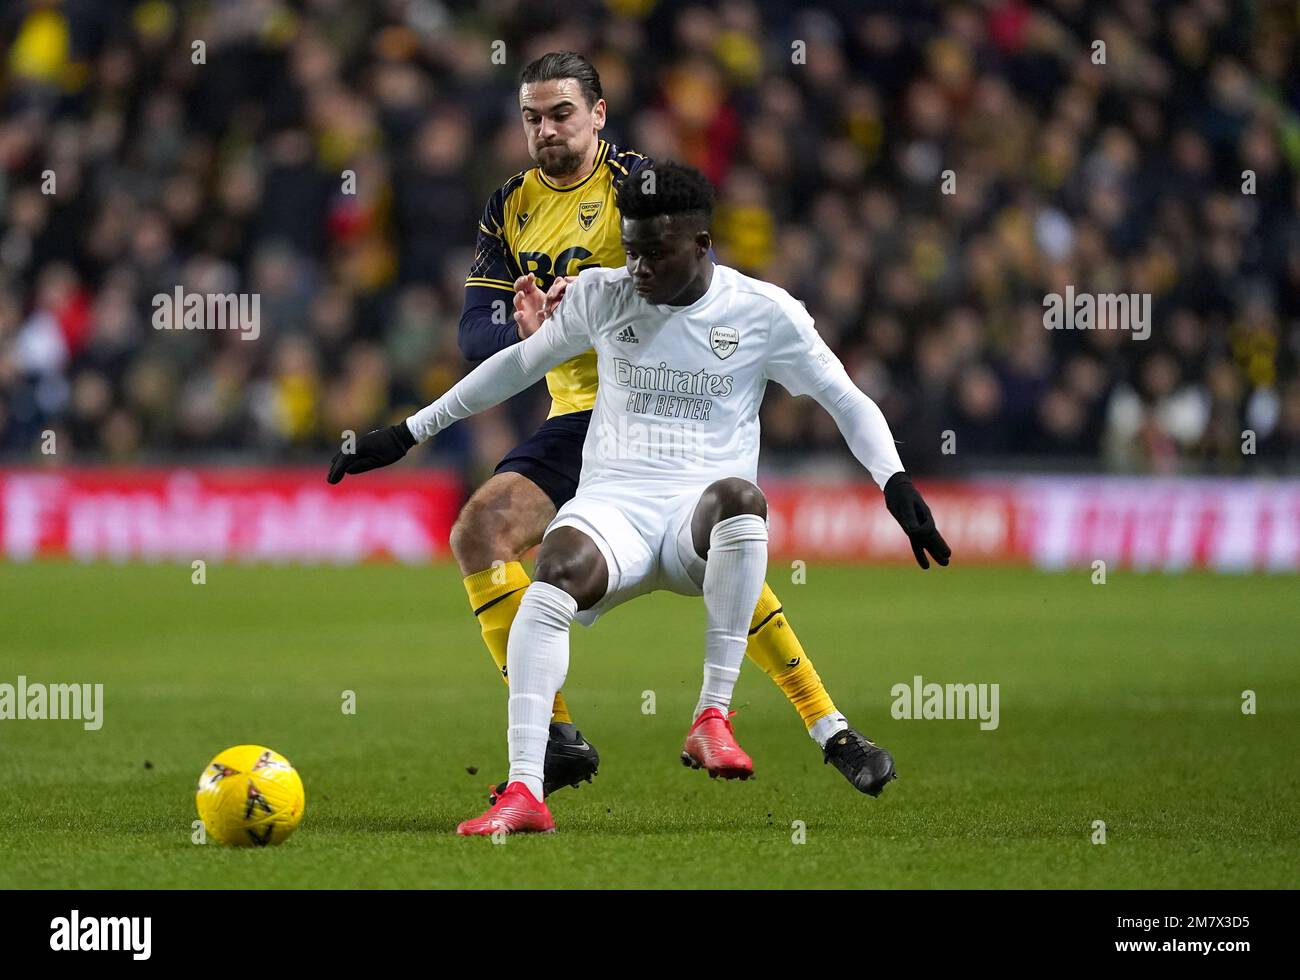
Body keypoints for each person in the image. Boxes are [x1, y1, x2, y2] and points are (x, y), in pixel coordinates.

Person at [328, 162, 950, 834]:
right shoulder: (604, 293)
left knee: (741, 500)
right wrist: (406, 432)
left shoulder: (763, 313)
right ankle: (525, 791)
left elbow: (846, 401)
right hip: (613, 511)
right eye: (631, 249)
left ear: (702, 244)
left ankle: (712, 716)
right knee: (552, 574)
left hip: (696, 523)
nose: (640, 267)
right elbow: (514, 366)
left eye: (657, 251)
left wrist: (895, 480)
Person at [444, 51, 908, 803]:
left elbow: (698, 276)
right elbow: (475, 334)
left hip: (653, 405)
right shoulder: (509, 203)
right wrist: (526, 334)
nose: (546, 131)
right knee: (481, 534)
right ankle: (556, 735)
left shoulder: (639, 187)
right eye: (531, 117)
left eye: (561, 113)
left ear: (598, 115)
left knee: (726, 537)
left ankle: (828, 725)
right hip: (576, 418)